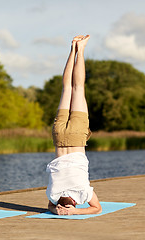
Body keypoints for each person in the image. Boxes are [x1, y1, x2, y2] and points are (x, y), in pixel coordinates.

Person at [46, 35, 102, 215]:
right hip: (59, 137)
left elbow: (96, 208)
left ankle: (81, 49)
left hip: (77, 137)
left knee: (78, 88)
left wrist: (74, 212)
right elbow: (50, 206)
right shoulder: (53, 195)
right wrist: (59, 210)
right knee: (67, 89)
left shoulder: (82, 193)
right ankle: (72, 49)